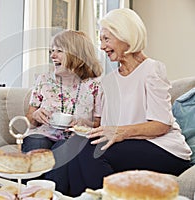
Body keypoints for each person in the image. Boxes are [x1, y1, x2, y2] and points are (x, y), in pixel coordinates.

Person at [67, 8, 192, 196]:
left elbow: (161, 125)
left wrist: (120, 132)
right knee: (75, 147)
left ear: (126, 36)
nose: (101, 47)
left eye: (106, 39)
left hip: (165, 149)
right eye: (101, 40)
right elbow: (108, 127)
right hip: (129, 145)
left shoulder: (152, 70)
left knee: (91, 151)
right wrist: (85, 128)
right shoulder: (109, 81)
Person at [22, 30, 103, 153]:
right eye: (52, 51)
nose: (52, 56)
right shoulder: (43, 80)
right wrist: (35, 116)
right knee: (37, 142)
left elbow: (98, 124)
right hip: (42, 135)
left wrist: (84, 123)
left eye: (59, 51)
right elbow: (29, 121)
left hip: (75, 138)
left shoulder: (95, 86)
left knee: (65, 148)